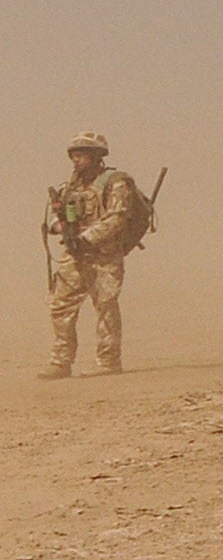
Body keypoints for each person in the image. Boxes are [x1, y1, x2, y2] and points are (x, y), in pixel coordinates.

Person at [42, 129, 146, 379]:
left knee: (105, 305)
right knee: (60, 305)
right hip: (76, 255)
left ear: (96, 155)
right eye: (74, 155)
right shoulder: (71, 186)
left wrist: (86, 238)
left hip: (105, 256)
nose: (76, 159)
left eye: (82, 154)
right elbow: (56, 216)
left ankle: (109, 361)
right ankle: (61, 361)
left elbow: (117, 219)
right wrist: (59, 226)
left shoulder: (116, 182)